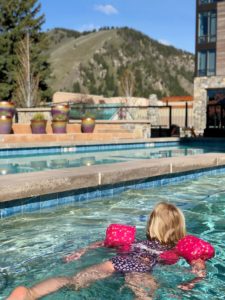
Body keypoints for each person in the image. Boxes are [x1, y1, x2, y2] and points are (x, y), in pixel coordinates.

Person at [7, 202, 212, 300]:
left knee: (73, 281)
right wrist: (192, 281)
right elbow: (198, 266)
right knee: (144, 296)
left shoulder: (136, 241)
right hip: (141, 268)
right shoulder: (177, 248)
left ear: (151, 224)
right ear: (179, 227)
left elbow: (102, 244)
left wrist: (82, 251)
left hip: (116, 262)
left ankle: (30, 292)